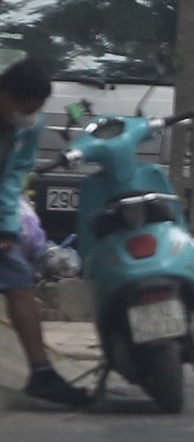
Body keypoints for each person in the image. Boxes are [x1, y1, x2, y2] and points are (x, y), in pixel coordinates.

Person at [0, 57, 91, 407]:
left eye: (37, 108)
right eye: (26, 106)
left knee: (20, 282)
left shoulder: (27, 126)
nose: (30, 114)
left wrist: (7, 226)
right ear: (6, 95)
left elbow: (14, 175)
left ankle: (41, 373)